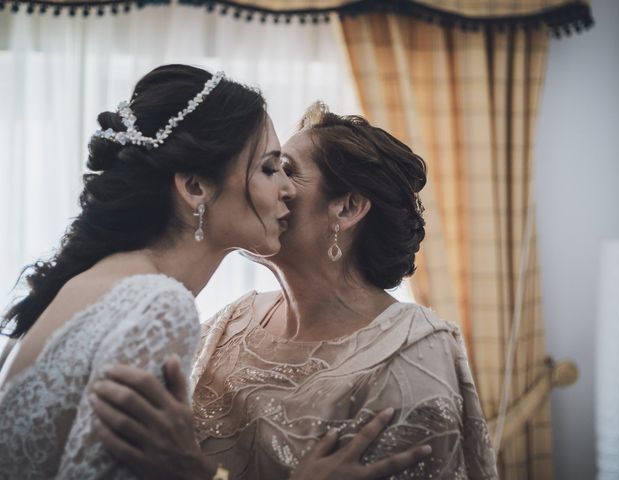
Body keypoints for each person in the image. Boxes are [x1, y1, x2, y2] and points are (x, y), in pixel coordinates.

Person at [92, 103, 498, 479]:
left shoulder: (412, 353)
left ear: (347, 208)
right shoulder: (230, 324)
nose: (267, 188)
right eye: (267, 171)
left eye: (283, 170)